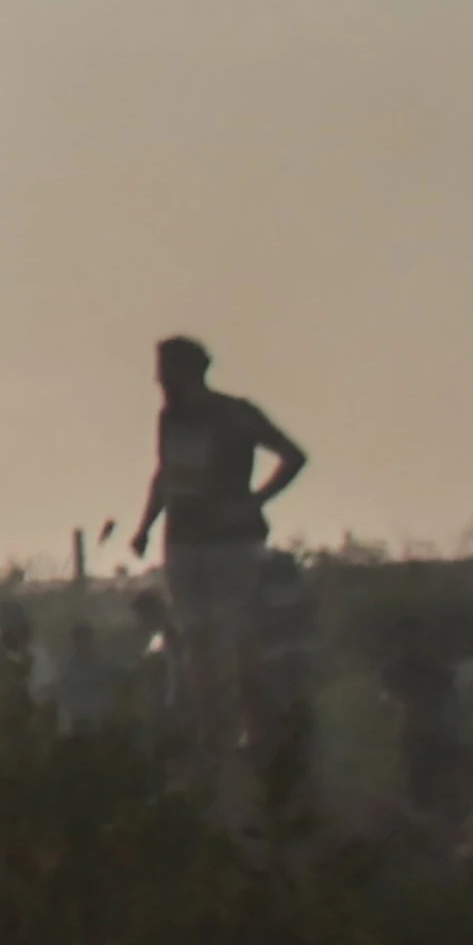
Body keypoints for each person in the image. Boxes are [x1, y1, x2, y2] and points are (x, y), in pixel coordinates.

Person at [138, 340, 315, 809]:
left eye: (166, 372)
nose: (159, 382)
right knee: (196, 640)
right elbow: (165, 473)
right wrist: (145, 525)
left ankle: (257, 733)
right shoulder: (169, 419)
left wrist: (254, 501)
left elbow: (293, 456)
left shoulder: (236, 415)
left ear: (188, 372)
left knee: (240, 636)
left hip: (232, 542)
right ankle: (212, 736)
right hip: (184, 540)